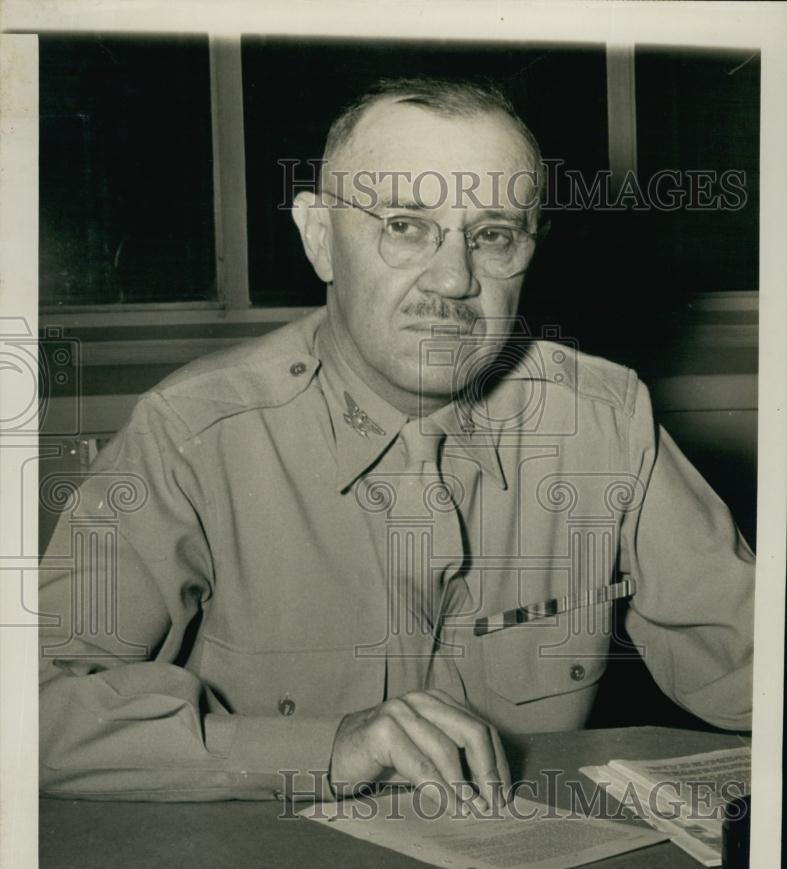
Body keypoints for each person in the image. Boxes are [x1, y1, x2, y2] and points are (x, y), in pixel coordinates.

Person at [39, 77, 754, 812]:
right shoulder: (191, 434)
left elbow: (751, 666)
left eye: (492, 235)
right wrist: (329, 748)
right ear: (320, 238)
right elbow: (32, 711)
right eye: (406, 226)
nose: (452, 280)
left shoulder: (604, 418)